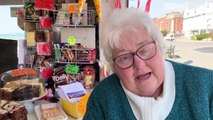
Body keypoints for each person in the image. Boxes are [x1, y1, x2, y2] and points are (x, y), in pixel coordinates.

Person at [83, 8, 213, 120]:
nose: (139, 65)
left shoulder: (206, 86)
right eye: (124, 58)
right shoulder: (102, 98)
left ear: (159, 47)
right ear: (114, 66)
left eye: (145, 50)